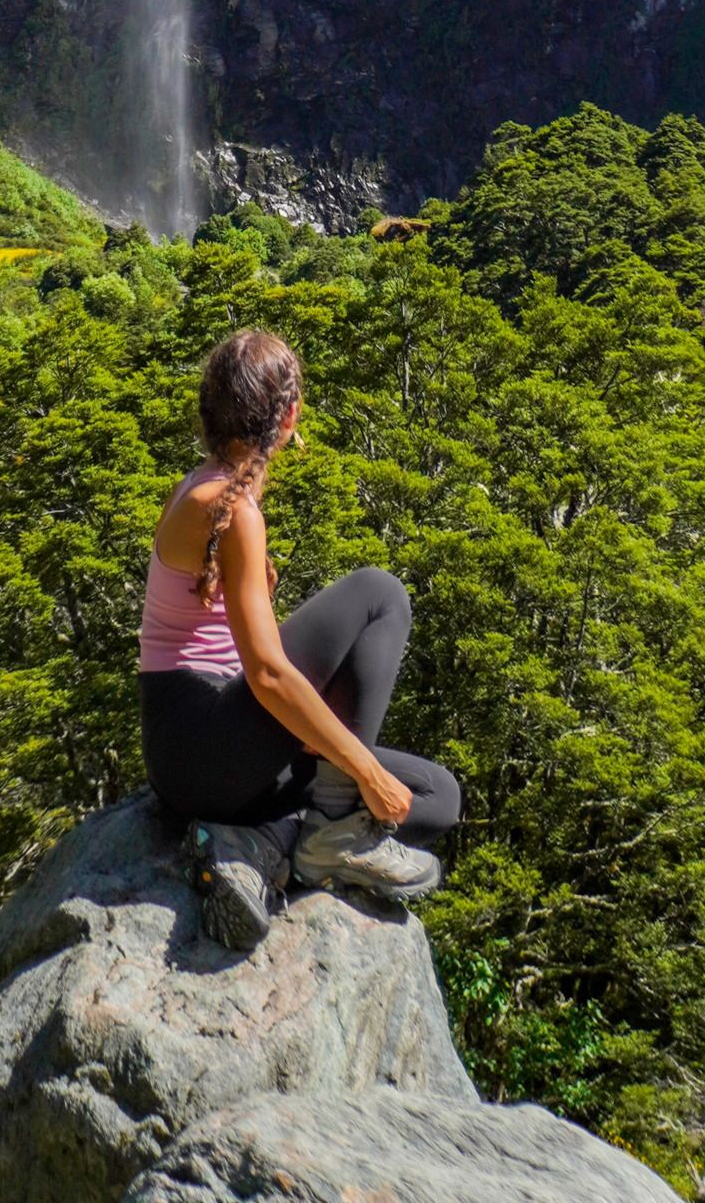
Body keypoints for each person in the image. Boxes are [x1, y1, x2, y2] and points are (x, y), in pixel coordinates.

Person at [137, 325, 462, 951]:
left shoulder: (209, 487)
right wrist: (363, 768)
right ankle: (329, 833)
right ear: (290, 416)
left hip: (206, 754)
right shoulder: (225, 508)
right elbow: (267, 674)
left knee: (436, 797)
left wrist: (358, 768)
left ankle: (273, 839)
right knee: (380, 593)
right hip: (200, 740)